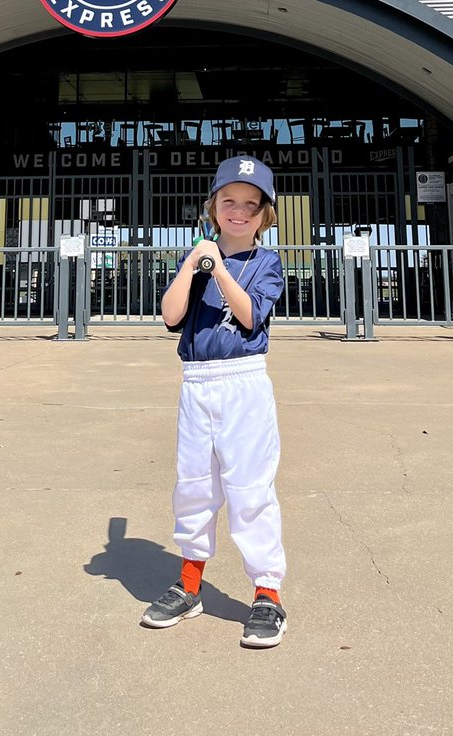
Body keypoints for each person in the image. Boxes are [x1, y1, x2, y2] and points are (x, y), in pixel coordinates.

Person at [141, 155, 288, 648]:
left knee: (250, 488)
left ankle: (268, 593)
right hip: (197, 381)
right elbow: (169, 315)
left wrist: (219, 268)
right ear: (213, 207)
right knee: (194, 485)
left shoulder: (266, 263)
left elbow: (248, 317)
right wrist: (190, 265)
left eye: (251, 204)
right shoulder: (197, 259)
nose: (239, 211)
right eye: (229, 201)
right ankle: (189, 585)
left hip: (244, 382)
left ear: (264, 214)